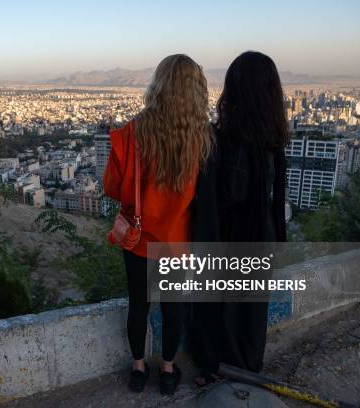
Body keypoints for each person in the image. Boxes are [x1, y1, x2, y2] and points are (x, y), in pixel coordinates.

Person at [103, 54, 213, 394]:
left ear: (158, 85)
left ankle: (138, 369)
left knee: (139, 305)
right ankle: (167, 371)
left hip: (139, 241)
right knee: (173, 308)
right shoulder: (202, 139)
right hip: (177, 243)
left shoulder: (130, 134)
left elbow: (110, 188)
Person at [188, 51, 289, 385]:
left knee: (222, 307)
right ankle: (247, 367)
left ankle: (219, 368)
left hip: (228, 233)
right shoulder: (274, 140)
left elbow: (218, 198)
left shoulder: (222, 138)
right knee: (250, 308)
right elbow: (277, 196)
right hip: (261, 235)